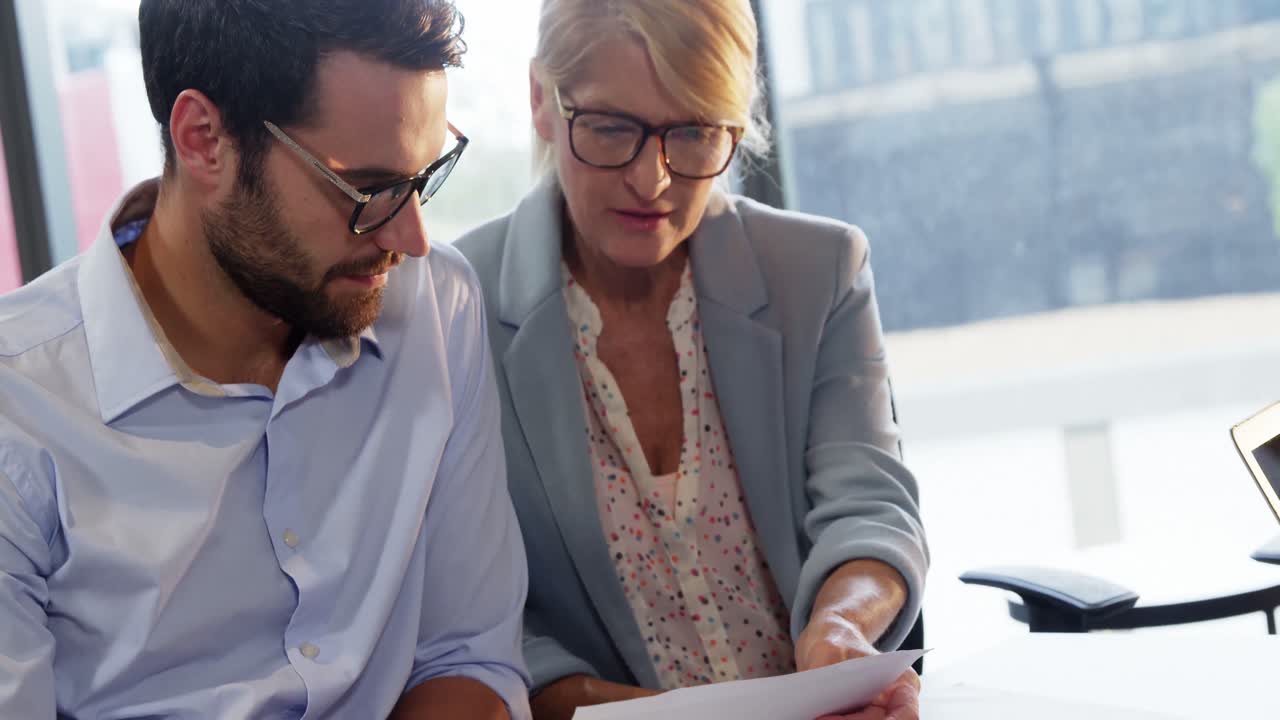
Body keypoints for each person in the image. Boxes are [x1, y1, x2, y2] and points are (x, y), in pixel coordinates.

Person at [0, 1, 530, 718]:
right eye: (368, 190)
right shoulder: (20, 414)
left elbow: (468, 657)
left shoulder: (437, 309)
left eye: (424, 176)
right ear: (204, 139)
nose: (410, 237)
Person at [454, 1, 928, 719]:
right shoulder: (453, 311)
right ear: (540, 104)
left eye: (695, 133)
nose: (652, 180)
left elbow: (870, 507)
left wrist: (840, 628)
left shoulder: (819, 271)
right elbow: (474, 619)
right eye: (613, 127)